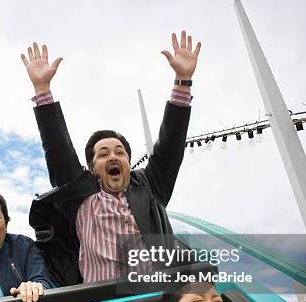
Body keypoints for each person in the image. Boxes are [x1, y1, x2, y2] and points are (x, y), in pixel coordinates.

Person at [22, 31, 201, 285]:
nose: (113, 157)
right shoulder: (79, 195)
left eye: (120, 153)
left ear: (128, 162)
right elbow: (57, 148)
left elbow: (170, 146)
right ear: (92, 167)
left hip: (155, 296)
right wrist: (42, 90)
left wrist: (183, 80)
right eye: (103, 154)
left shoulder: (150, 187)